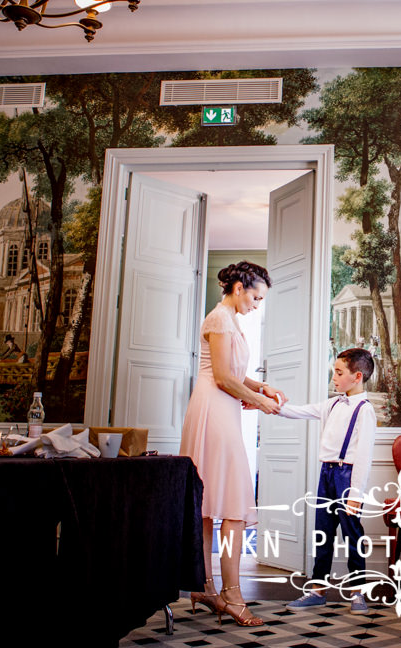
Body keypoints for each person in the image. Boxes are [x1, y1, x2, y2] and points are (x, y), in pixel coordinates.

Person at [180, 261, 286, 627]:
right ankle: (229, 592)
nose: (256, 304)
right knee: (230, 504)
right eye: (255, 297)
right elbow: (223, 377)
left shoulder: (230, 320)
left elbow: (234, 375)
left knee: (215, 503)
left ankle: (209, 587)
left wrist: (261, 387)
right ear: (239, 286)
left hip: (220, 408)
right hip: (213, 408)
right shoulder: (219, 319)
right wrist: (261, 403)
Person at [281, 348, 378, 614]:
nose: (333, 378)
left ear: (357, 376)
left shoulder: (364, 410)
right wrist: (267, 404)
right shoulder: (333, 403)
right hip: (326, 474)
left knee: (352, 535)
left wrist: (356, 493)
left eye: (338, 373)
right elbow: (299, 412)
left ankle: (358, 592)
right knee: (322, 534)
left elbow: (364, 456)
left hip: (347, 478)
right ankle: (317, 590)